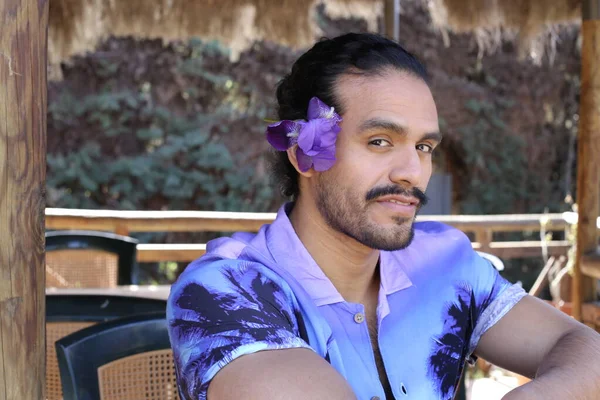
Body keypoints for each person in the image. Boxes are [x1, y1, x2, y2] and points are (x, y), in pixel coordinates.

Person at [167, 33, 600, 400]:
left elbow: (583, 347)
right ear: (303, 154)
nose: (412, 172)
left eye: (424, 147)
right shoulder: (227, 292)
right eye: (379, 141)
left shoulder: (445, 265)